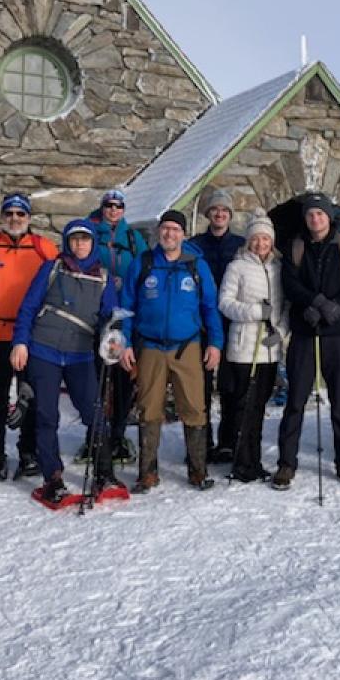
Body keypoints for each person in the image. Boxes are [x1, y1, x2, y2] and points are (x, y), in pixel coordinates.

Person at [11, 219, 117, 505]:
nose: (80, 245)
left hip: (80, 354)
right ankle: (52, 477)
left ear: (93, 243)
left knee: (93, 412)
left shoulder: (104, 278)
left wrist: (115, 338)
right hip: (44, 350)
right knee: (47, 414)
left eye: (85, 239)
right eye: (74, 240)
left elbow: (110, 317)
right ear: (67, 243)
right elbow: (29, 307)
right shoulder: (52, 269)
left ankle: (104, 472)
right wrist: (20, 342)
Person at [119, 210, 223, 491]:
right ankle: (147, 472)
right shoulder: (143, 263)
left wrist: (215, 342)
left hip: (187, 346)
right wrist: (125, 342)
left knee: (193, 407)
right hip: (150, 346)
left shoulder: (196, 265)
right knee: (148, 408)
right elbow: (126, 307)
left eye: (175, 230)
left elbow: (210, 307)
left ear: (183, 234)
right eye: (165, 229)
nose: (169, 234)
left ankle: (198, 470)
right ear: (158, 232)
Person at [272, 192, 340, 491]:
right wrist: (311, 302)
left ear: (329, 217)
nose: (315, 219)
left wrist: (336, 306)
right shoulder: (296, 247)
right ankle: (286, 463)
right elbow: (289, 282)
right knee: (296, 401)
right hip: (306, 332)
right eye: (311, 214)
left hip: (337, 334)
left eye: (320, 214)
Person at [0, 193, 57, 481]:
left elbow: (58, 285)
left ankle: (28, 453)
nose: (14, 219)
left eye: (20, 214)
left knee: (30, 396)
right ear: (3, 217)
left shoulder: (44, 248)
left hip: (30, 335)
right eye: (9, 214)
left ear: (29, 218)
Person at [76, 187, 148, 465]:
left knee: (121, 379)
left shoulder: (133, 237)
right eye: (109, 205)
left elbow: (144, 268)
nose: (113, 211)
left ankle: (116, 434)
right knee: (94, 379)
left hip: (124, 317)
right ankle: (94, 433)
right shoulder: (90, 231)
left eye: (118, 206)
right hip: (94, 316)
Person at [218, 209, 289, 482]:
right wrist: (255, 312)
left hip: (268, 350)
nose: (261, 244)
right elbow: (225, 303)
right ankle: (241, 460)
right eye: (256, 239)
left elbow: (283, 307)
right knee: (241, 405)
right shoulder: (237, 266)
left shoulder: (277, 268)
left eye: (266, 240)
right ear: (249, 241)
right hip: (243, 348)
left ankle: (254, 458)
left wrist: (279, 332)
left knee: (259, 407)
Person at [190, 188, 245, 462]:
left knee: (229, 386)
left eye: (224, 210)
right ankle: (201, 443)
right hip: (201, 324)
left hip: (232, 323)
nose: (220, 214)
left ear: (230, 215)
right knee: (200, 386)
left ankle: (227, 441)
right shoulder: (195, 245)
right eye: (215, 210)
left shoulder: (240, 244)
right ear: (208, 214)